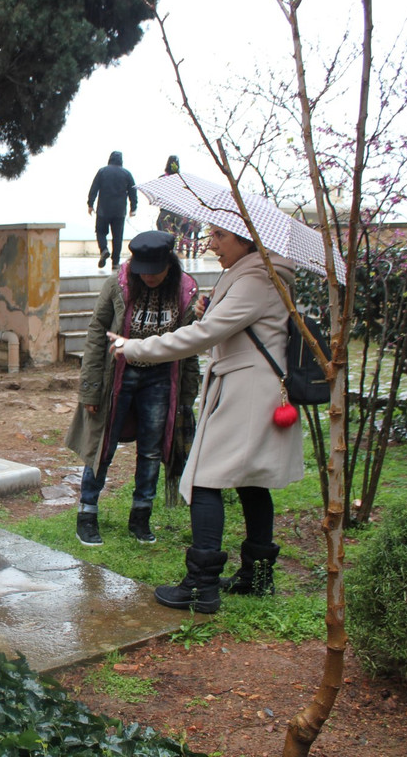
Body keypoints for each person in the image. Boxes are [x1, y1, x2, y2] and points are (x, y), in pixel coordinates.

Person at [106, 225, 304, 613]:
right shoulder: (257, 273)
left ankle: (201, 586)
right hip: (254, 386)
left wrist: (135, 347)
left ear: (247, 237)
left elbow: (203, 335)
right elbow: (232, 325)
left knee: (203, 478)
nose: (210, 243)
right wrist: (209, 309)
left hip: (247, 391)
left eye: (219, 235)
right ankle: (256, 577)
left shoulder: (257, 278)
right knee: (251, 481)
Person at [65, 231, 200, 547]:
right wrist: (91, 389)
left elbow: (191, 345)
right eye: (144, 269)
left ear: (169, 264)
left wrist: (187, 396)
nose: (149, 276)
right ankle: (87, 514)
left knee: (152, 450)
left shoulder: (184, 292)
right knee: (103, 445)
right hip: (119, 377)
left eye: (156, 269)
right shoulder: (119, 284)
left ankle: (141, 516)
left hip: (160, 379)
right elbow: (97, 332)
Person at [86, 150, 138, 270]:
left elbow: (94, 188)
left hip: (103, 210)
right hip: (119, 211)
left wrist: (90, 204)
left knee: (100, 232)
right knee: (117, 236)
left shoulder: (102, 171)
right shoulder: (126, 174)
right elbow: (133, 191)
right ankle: (115, 262)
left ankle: (104, 249)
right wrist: (133, 208)